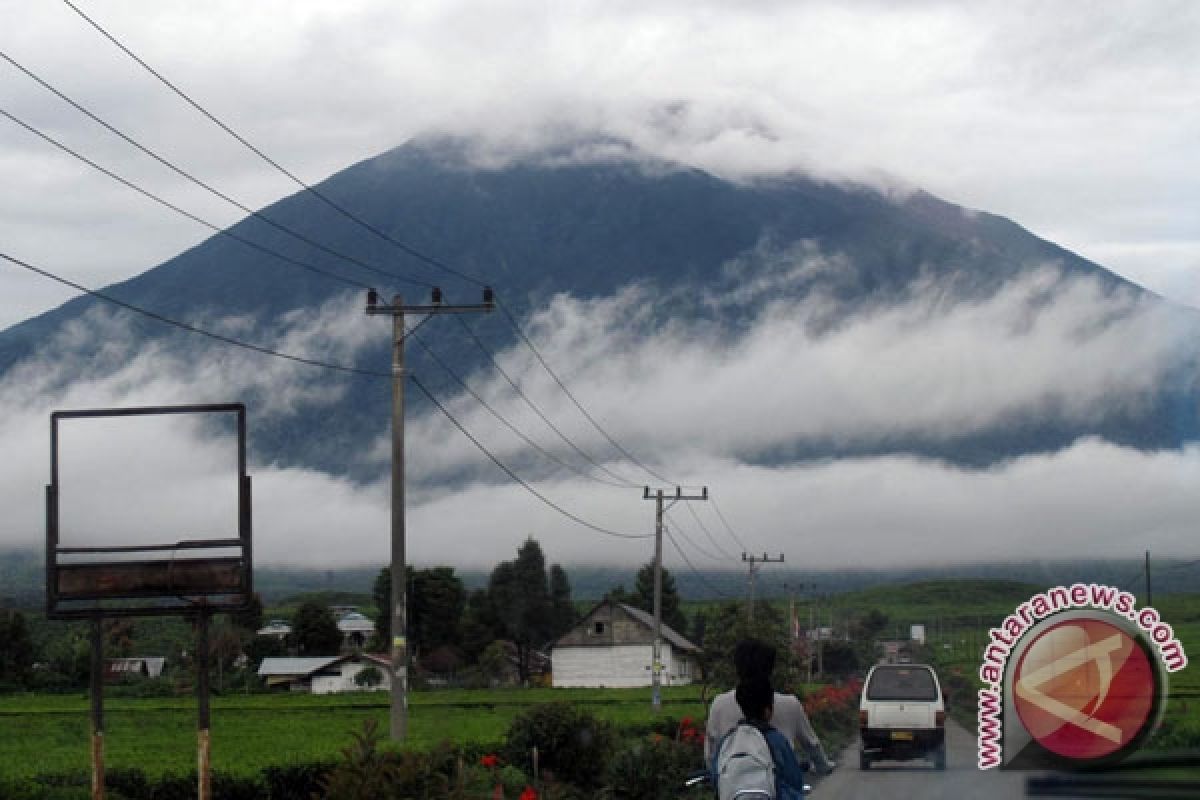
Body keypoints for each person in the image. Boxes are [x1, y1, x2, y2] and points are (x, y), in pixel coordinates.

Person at [705, 639, 835, 775]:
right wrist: (823, 766)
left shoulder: (719, 704)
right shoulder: (790, 704)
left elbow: (711, 755)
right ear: (771, 668)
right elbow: (811, 744)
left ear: (737, 667)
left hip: (732, 786)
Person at [712, 675, 809, 800]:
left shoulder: (728, 740)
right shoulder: (776, 740)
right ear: (768, 710)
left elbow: (715, 775)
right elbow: (794, 780)